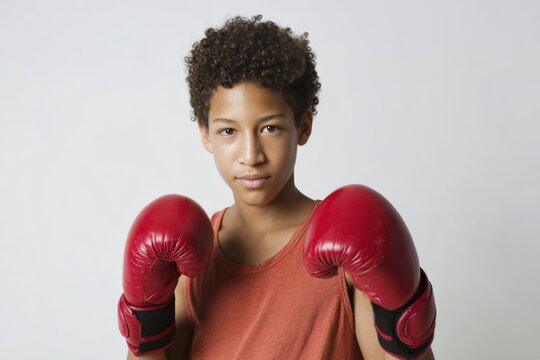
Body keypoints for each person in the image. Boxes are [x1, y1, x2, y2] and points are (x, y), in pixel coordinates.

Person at [119, 15, 436, 360]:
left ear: (302, 127)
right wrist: (145, 320)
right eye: (229, 131)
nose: (251, 155)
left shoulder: (346, 252)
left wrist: (403, 308)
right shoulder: (189, 261)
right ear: (205, 134)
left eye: (270, 128)